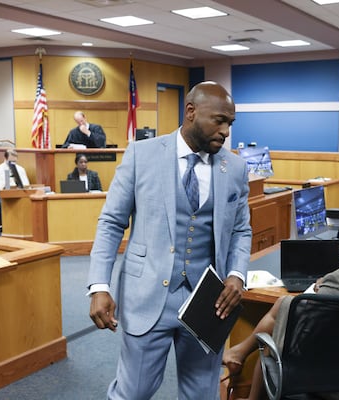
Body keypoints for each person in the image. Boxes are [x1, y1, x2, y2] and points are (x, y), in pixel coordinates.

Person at [87, 81, 252, 400]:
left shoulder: (234, 168)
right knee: (133, 392)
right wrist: (99, 286)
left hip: (209, 303)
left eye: (230, 123)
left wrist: (237, 274)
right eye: (219, 120)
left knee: (201, 393)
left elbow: (241, 230)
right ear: (191, 112)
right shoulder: (142, 154)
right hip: (146, 294)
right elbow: (111, 222)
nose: (225, 131)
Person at [222, 197, 339, 400]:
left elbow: (303, 334)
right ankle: (239, 355)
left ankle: (249, 388)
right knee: (283, 308)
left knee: (273, 336)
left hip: (331, 381)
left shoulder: (337, 282)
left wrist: (323, 286)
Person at [0, 148, 30, 222]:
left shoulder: (20, 169)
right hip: (3, 194)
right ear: (5, 158)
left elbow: (26, 184)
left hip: (18, 193)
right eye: (10, 161)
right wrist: (8, 190)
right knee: (1, 202)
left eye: (14, 161)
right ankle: (5, 225)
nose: (12, 164)